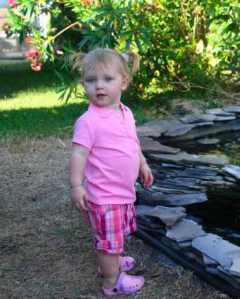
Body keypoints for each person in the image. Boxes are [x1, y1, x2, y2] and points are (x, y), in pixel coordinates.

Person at [69, 48, 153, 296]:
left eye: (107, 79)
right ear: (84, 84)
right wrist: (76, 186)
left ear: (123, 82)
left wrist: (142, 164)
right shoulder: (89, 121)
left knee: (113, 236)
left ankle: (112, 261)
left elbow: (132, 142)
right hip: (105, 196)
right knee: (107, 242)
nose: (99, 86)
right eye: (91, 80)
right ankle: (111, 281)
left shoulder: (125, 113)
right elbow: (78, 154)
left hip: (121, 192)